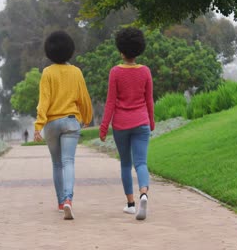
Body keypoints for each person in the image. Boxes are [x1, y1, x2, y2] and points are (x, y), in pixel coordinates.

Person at [34, 30, 92, 220]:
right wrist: (86, 117)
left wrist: (38, 125)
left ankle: (60, 202)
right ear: (70, 50)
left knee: (57, 163)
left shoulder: (47, 73)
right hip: (70, 121)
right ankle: (69, 199)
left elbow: (44, 101)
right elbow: (84, 98)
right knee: (69, 162)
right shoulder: (76, 72)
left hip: (51, 123)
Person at [99, 27, 155, 221]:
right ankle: (144, 194)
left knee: (125, 163)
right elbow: (149, 101)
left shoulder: (115, 72)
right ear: (139, 48)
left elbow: (110, 102)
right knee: (141, 162)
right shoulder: (146, 71)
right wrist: (152, 122)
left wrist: (104, 126)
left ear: (121, 50)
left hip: (121, 124)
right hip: (142, 122)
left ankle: (131, 204)